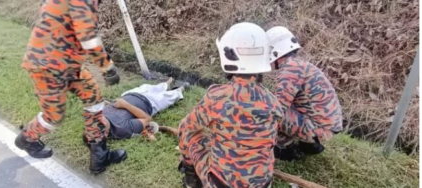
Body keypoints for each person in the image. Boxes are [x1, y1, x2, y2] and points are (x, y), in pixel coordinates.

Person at [15, 0, 129, 175]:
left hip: (68, 63)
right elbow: (88, 36)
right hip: (47, 66)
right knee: (54, 117)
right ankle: (27, 138)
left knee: (94, 97)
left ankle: (98, 152)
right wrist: (107, 67)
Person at [178, 22, 283, 188]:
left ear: (228, 55)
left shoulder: (216, 97)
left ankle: (191, 180)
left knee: (186, 130)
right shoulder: (273, 103)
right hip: (263, 184)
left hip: (220, 184)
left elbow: (189, 126)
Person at [266, 26, 343, 161]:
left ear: (275, 51)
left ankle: (284, 149)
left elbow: (277, 108)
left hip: (318, 129)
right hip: (324, 125)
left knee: (269, 108)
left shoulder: (291, 69)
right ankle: (303, 144)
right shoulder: (299, 64)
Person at [102, 78, 190, 141]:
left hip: (131, 93)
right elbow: (147, 119)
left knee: (154, 87)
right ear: (105, 134)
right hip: (150, 103)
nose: (100, 121)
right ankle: (180, 89)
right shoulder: (122, 128)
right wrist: (125, 105)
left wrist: (108, 103)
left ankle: (167, 83)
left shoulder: (97, 116)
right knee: (170, 96)